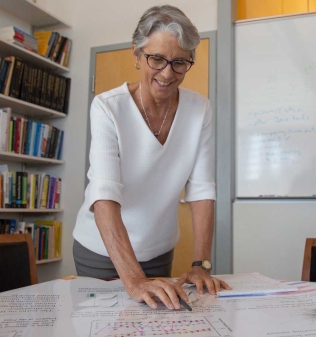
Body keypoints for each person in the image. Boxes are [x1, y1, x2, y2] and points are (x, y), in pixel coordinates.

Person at [72, 5, 230, 310]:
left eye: (180, 62)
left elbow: (201, 189)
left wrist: (201, 264)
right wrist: (133, 280)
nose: (167, 73)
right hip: (103, 254)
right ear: (136, 54)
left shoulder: (200, 110)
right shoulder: (107, 107)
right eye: (156, 58)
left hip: (159, 253)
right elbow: (104, 194)